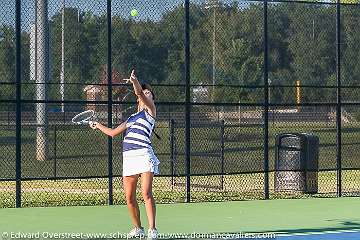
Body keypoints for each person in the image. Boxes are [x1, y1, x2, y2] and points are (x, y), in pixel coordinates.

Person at [89, 70, 159, 239]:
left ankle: (153, 229)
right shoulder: (131, 118)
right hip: (129, 159)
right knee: (129, 197)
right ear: (137, 101)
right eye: (145, 93)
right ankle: (138, 228)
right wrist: (97, 125)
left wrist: (135, 81)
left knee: (146, 193)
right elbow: (113, 133)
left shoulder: (150, 111)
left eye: (149, 94)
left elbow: (139, 92)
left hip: (144, 154)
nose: (146, 95)